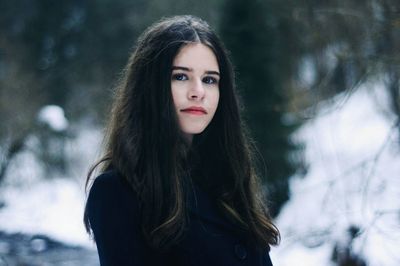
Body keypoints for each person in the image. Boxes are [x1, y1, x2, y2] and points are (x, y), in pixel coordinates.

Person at [83, 15, 279, 266]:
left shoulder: (229, 180)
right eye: (181, 76)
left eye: (210, 80)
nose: (198, 91)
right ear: (151, 86)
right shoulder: (116, 191)